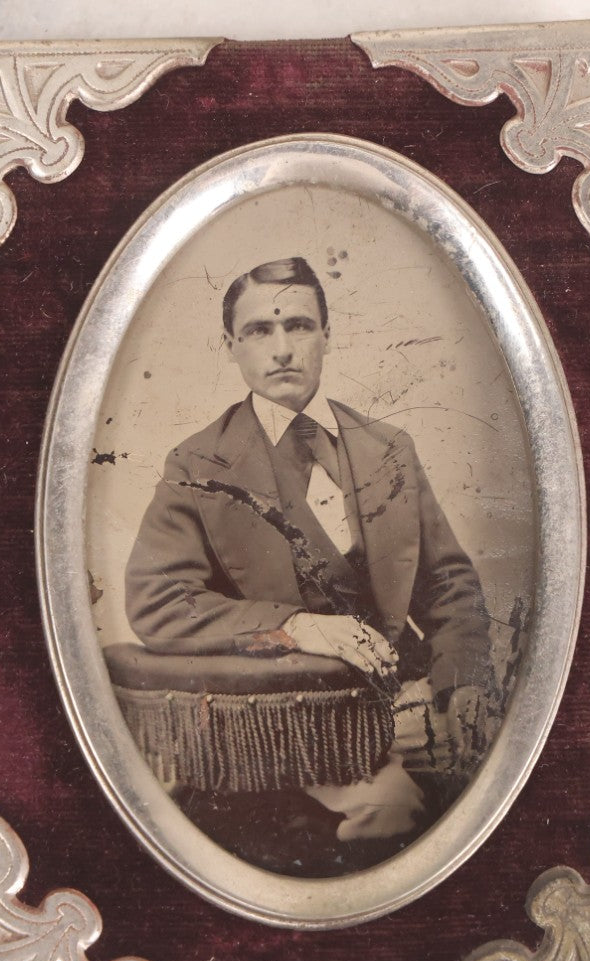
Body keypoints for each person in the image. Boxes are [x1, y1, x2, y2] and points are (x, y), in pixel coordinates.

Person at [124, 257, 496, 848]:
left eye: (298, 326)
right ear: (231, 346)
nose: (282, 350)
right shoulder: (197, 464)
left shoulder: (389, 448)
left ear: (328, 334)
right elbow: (158, 601)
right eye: (259, 331)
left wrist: (462, 685)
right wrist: (295, 626)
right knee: (393, 814)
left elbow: (447, 582)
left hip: (418, 705)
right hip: (304, 725)